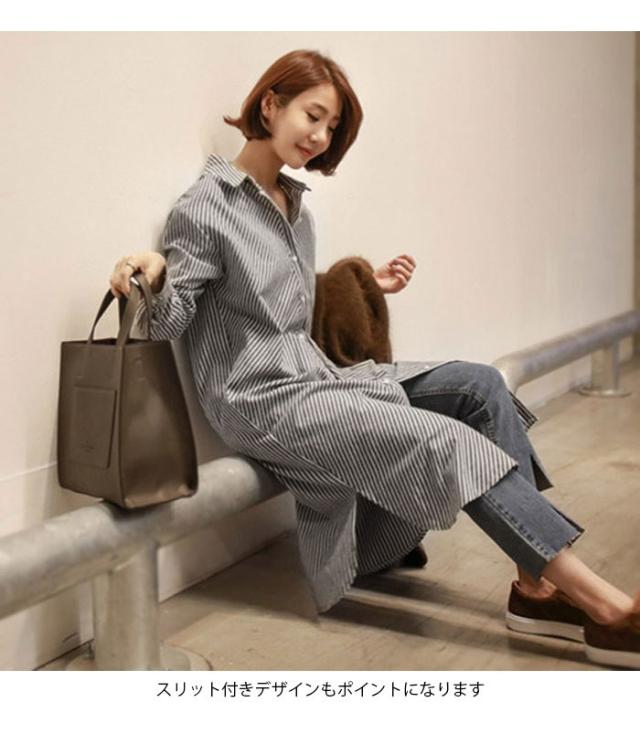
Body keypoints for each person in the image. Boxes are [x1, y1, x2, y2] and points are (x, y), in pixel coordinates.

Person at [110, 49, 640, 669]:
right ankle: (607, 609)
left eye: (331, 126)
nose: (320, 136)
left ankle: (535, 588)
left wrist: (364, 282)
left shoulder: (294, 207)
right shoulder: (205, 206)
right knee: (444, 442)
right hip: (262, 400)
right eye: (313, 116)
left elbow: (278, 300)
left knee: (479, 385)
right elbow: (171, 320)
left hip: (317, 379)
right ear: (270, 104)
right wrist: (152, 273)